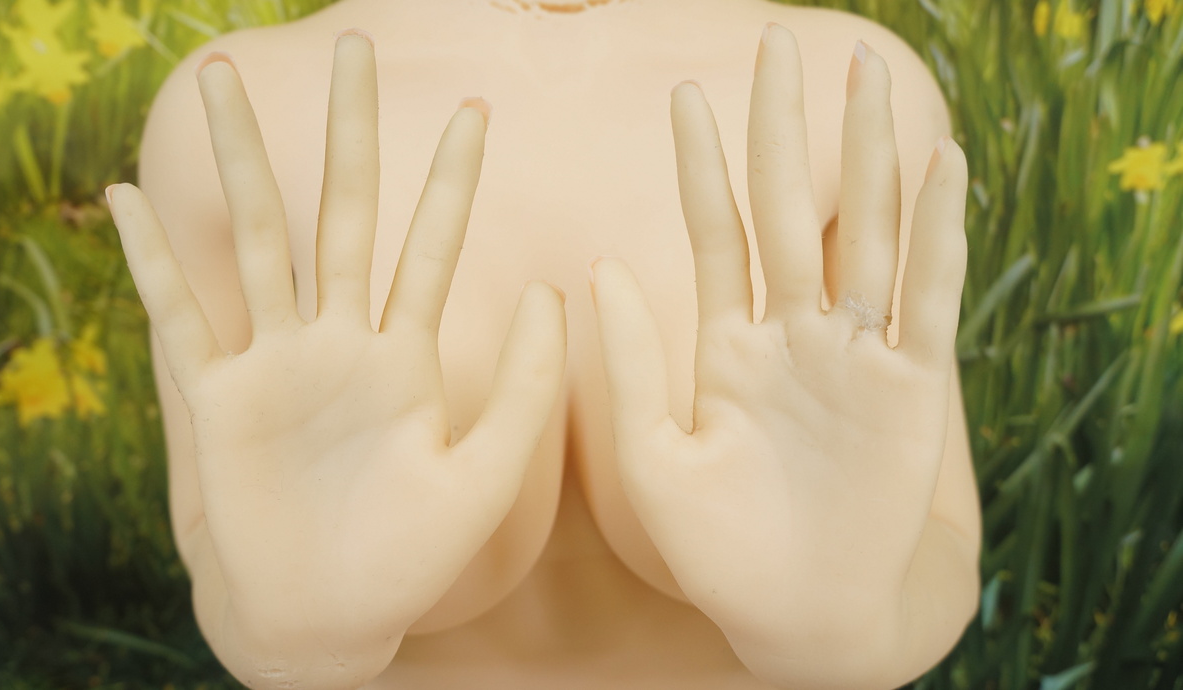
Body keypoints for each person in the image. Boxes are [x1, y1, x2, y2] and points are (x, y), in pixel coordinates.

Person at [104, 0, 980, 686]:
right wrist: (293, 631)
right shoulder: (239, 109)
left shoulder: (847, 92)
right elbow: (217, 547)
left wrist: (852, 630)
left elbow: (944, 542)